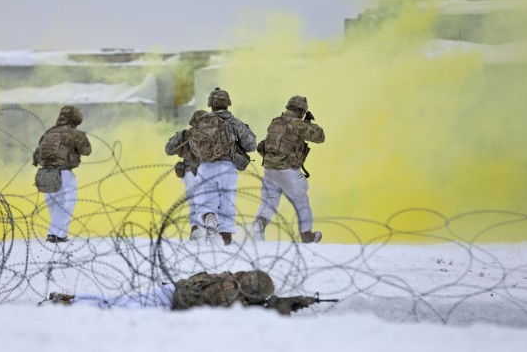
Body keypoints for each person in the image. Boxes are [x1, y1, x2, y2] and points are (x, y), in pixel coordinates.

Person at [46, 270, 333, 315]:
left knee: (118, 303)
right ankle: (71, 306)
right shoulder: (229, 292)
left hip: (171, 293)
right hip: (168, 301)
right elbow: (227, 313)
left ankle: (72, 300)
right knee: (118, 309)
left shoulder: (234, 283)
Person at [252, 96, 325, 244]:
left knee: (270, 201)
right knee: (301, 200)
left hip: (269, 169)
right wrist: (310, 124)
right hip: (287, 170)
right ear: (302, 111)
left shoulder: (275, 122)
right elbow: (320, 136)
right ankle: (307, 234)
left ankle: (259, 223)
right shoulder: (297, 123)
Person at [189, 88, 257, 245]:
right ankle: (226, 241)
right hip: (227, 167)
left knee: (206, 203)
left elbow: (193, 146)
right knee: (227, 205)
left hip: (205, 167)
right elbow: (251, 145)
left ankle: (209, 217)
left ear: (210, 104)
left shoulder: (201, 123)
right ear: (227, 103)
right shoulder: (234, 122)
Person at [32, 106, 92, 243]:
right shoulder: (74, 132)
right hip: (63, 173)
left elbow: (37, 153)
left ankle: (57, 234)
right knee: (66, 204)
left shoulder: (49, 132)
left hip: (45, 173)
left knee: (54, 205)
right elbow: (87, 150)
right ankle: (55, 234)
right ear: (75, 118)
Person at [165, 110, 207, 240]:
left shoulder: (185, 134)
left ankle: (196, 229)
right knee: (209, 202)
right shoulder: (212, 135)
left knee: (194, 205)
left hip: (190, 174)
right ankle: (210, 230)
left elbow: (168, 149)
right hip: (207, 172)